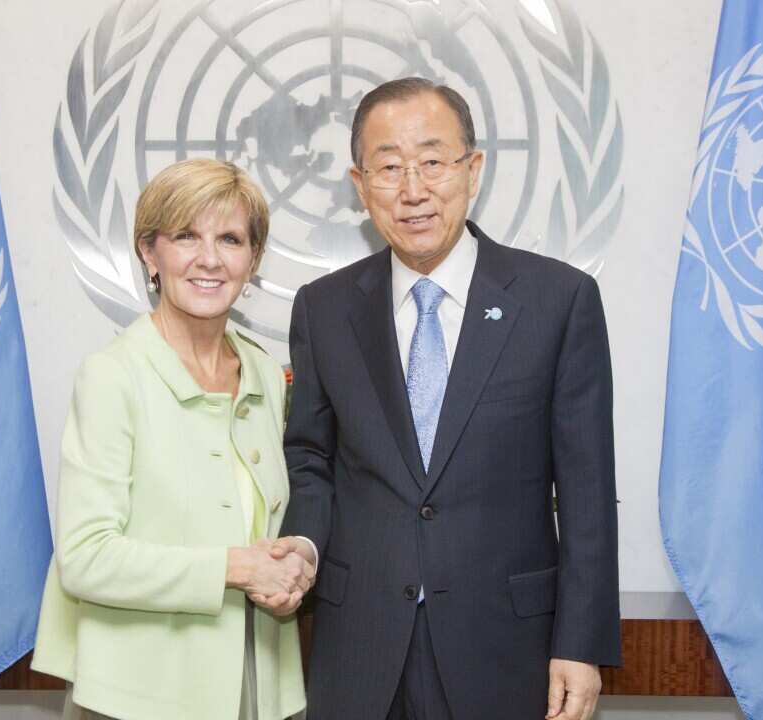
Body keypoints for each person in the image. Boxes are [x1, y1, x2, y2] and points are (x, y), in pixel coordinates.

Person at [267, 78, 622, 720]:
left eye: (432, 162)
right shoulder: (323, 310)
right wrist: (305, 546)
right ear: (359, 183)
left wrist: (581, 643)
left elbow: (588, 489)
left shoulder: (557, 301)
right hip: (361, 645)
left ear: (472, 169)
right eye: (389, 167)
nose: (412, 191)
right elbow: (310, 462)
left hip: (510, 648)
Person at [31, 158, 310, 720]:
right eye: (186, 236)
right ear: (148, 252)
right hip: (138, 697)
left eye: (230, 239)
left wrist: (297, 560)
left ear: (252, 260)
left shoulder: (264, 374)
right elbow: (84, 558)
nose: (209, 258)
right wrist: (235, 568)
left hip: (260, 690)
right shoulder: (114, 375)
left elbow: (278, 520)